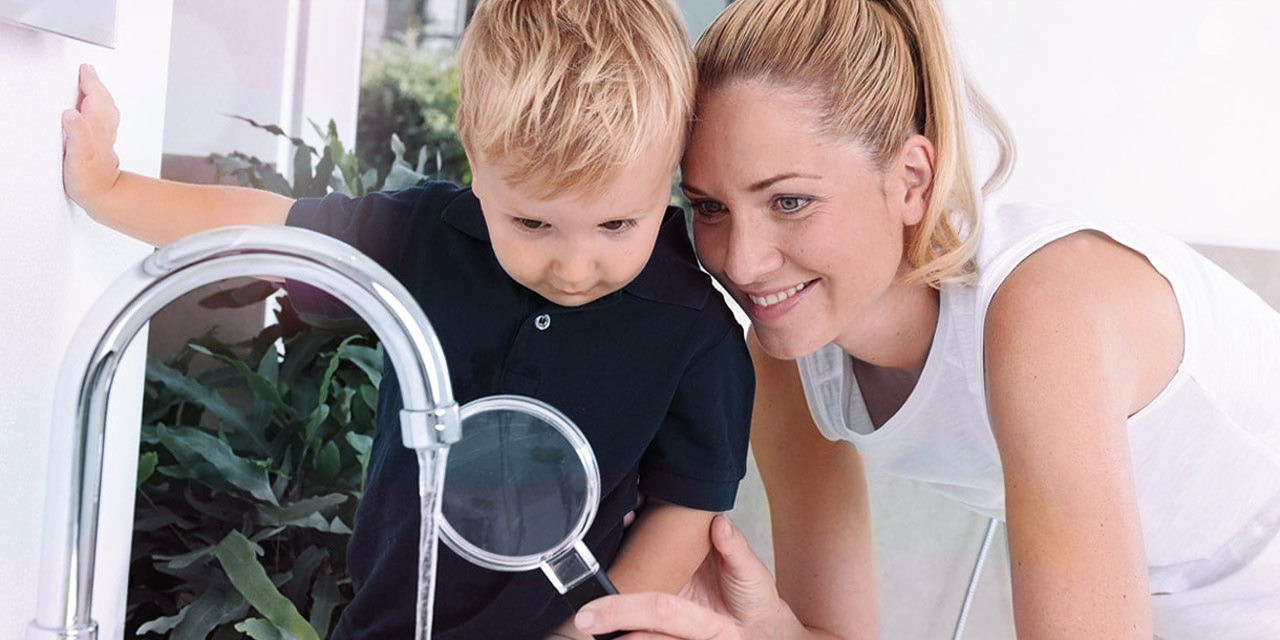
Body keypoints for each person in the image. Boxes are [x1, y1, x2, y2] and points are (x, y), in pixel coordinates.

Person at [572, 1, 1280, 639]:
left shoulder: (1042, 308)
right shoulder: (784, 357)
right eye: (710, 207)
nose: (744, 262)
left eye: (789, 201)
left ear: (911, 180)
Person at [60, 1, 754, 638]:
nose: (574, 267)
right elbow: (273, 228)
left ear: (670, 171)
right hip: (389, 624)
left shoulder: (694, 328)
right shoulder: (426, 237)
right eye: (532, 222)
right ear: (474, 154)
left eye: (616, 224)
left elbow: (687, 506)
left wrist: (593, 632)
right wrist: (111, 191)